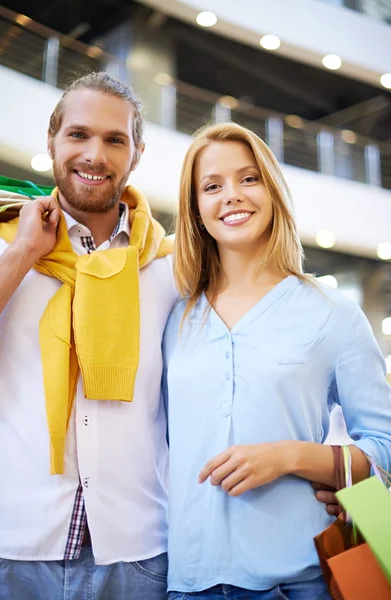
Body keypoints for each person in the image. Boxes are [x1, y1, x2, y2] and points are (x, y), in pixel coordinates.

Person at [162, 122, 391, 600]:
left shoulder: (334, 314)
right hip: (188, 584)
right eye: (212, 186)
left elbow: (386, 444)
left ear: (272, 190)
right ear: (196, 208)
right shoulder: (173, 316)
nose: (232, 196)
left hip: (298, 582)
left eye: (249, 179)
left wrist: (294, 457)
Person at [0, 72, 178, 600]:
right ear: (51, 142)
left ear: (137, 153)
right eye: (78, 135)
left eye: (114, 139)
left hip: (139, 553)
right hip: (12, 548)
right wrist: (24, 252)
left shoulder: (171, 268)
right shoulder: (0, 244)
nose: (95, 154)